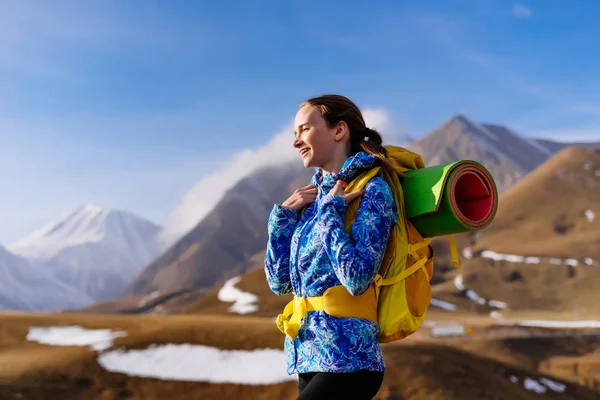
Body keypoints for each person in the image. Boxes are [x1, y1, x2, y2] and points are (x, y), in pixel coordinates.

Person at [264, 94, 398, 399]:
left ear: (339, 131)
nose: (296, 142)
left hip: (349, 359)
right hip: (308, 356)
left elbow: (357, 277)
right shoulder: (314, 200)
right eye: (294, 134)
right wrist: (282, 219)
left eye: (304, 130)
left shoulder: (371, 189)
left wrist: (329, 214)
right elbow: (280, 283)